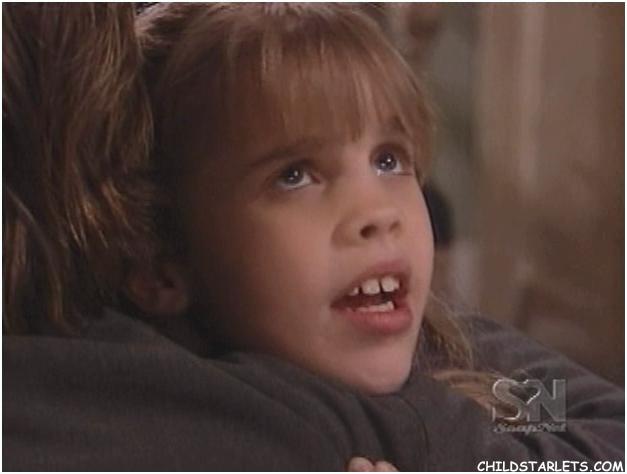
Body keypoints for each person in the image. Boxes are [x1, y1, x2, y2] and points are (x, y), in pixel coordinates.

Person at [3, 3, 623, 471]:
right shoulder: (294, 420)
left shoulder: (444, 360)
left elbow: (598, 428)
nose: (377, 212)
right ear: (163, 267)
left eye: (389, 160)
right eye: (294, 175)